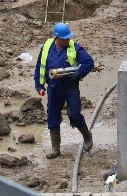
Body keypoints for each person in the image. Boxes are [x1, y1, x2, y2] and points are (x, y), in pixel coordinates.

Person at [33, 22, 95, 159]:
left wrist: (78, 74)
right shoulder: (47, 47)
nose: (68, 40)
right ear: (57, 38)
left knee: (75, 115)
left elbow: (89, 63)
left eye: (68, 37)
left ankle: (87, 136)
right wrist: (39, 84)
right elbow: (40, 66)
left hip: (70, 86)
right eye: (65, 38)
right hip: (54, 87)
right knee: (52, 116)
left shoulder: (74, 47)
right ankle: (56, 149)